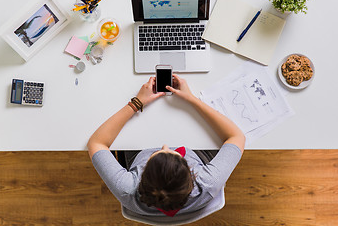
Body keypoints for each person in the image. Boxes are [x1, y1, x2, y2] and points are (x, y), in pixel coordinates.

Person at [88, 74, 245, 217]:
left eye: (157, 154)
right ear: (192, 175)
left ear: (143, 176)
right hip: (196, 151)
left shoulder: (127, 188)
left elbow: (96, 143)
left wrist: (137, 103)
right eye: (171, 152)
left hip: (138, 148)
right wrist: (191, 98)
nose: (164, 146)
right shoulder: (207, 183)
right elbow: (236, 136)